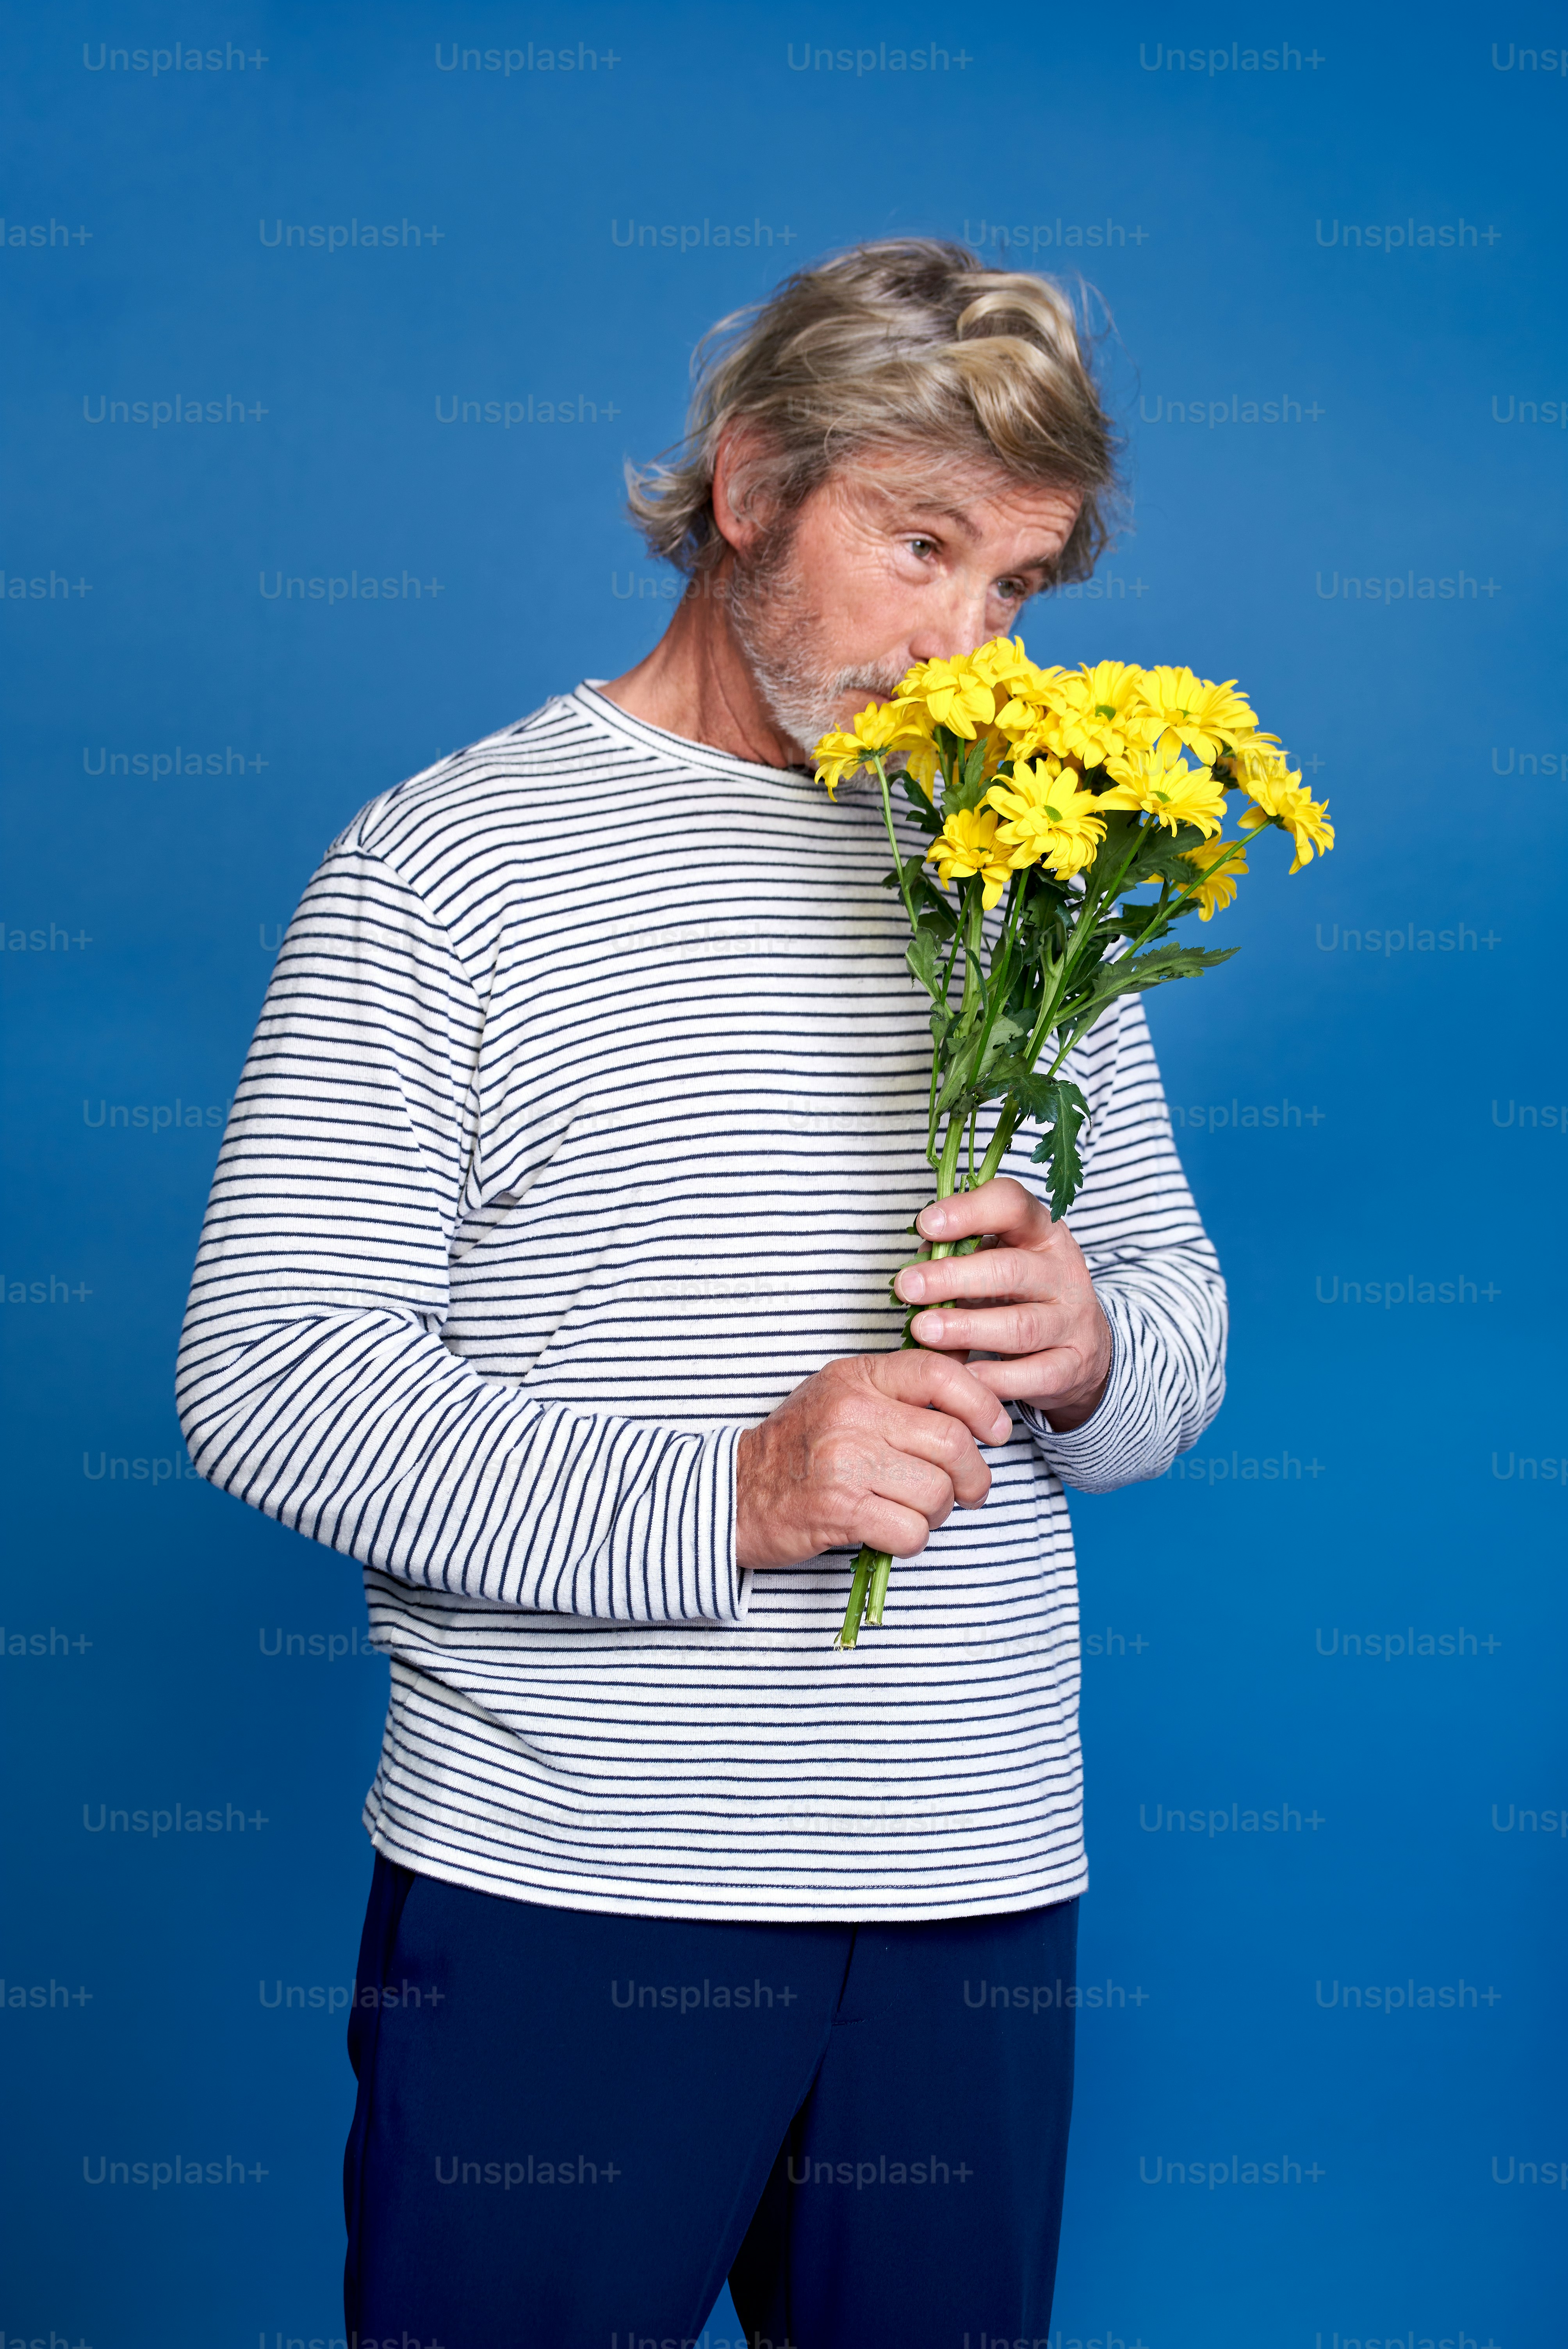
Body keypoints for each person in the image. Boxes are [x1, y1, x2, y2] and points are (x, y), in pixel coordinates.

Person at [177, 239, 1226, 2349]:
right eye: (919, 545)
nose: (967, 646)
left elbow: (1173, 1302)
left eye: (1014, 582)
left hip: (968, 1873)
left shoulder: (1025, 855)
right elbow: (268, 1373)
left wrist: (1098, 1349)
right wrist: (730, 1498)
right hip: (580, 1887)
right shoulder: (451, 863)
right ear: (750, 484)